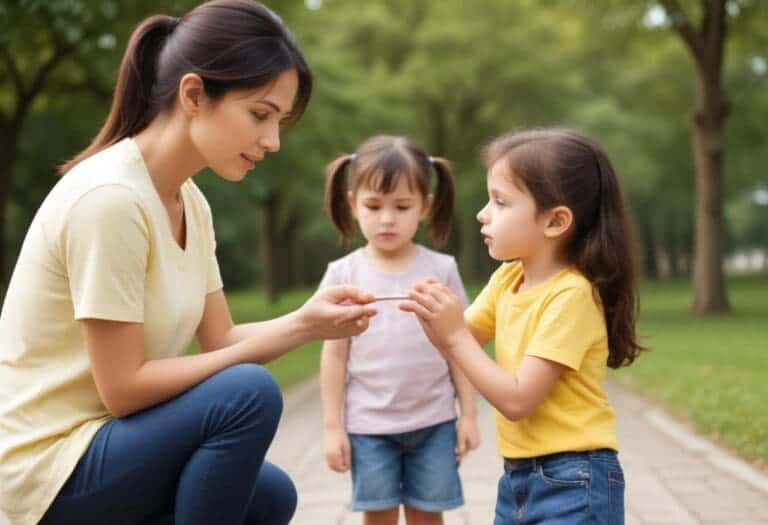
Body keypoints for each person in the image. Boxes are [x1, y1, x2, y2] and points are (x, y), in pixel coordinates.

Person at [0, 2, 378, 524]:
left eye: (280, 122)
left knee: (269, 497)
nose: (272, 141)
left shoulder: (189, 202)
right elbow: (125, 388)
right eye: (260, 115)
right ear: (194, 95)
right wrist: (259, 361)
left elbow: (219, 340)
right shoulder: (111, 199)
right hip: (46, 471)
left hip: (109, 445)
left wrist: (307, 323)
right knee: (247, 394)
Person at [402, 128, 647, 524]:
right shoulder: (508, 278)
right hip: (518, 475)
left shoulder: (572, 296)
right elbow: (458, 340)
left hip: (576, 478)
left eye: (499, 202)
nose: (482, 213)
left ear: (554, 221)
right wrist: (421, 308)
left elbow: (517, 400)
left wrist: (451, 335)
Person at [318, 135, 480, 525]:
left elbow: (461, 347)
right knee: (379, 517)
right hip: (369, 427)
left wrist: (469, 416)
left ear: (424, 207)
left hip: (434, 423)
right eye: (373, 206)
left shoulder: (442, 271)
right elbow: (334, 355)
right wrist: (332, 427)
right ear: (353, 204)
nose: (387, 218)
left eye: (402, 206)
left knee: (428, 516)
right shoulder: (343, 275)